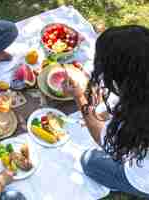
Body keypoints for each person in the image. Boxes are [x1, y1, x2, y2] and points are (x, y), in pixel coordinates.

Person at [63, 25, 149, 198]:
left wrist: (79, 97)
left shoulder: (138, 123)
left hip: (142, 180)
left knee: (89, 161)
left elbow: (104, 139)